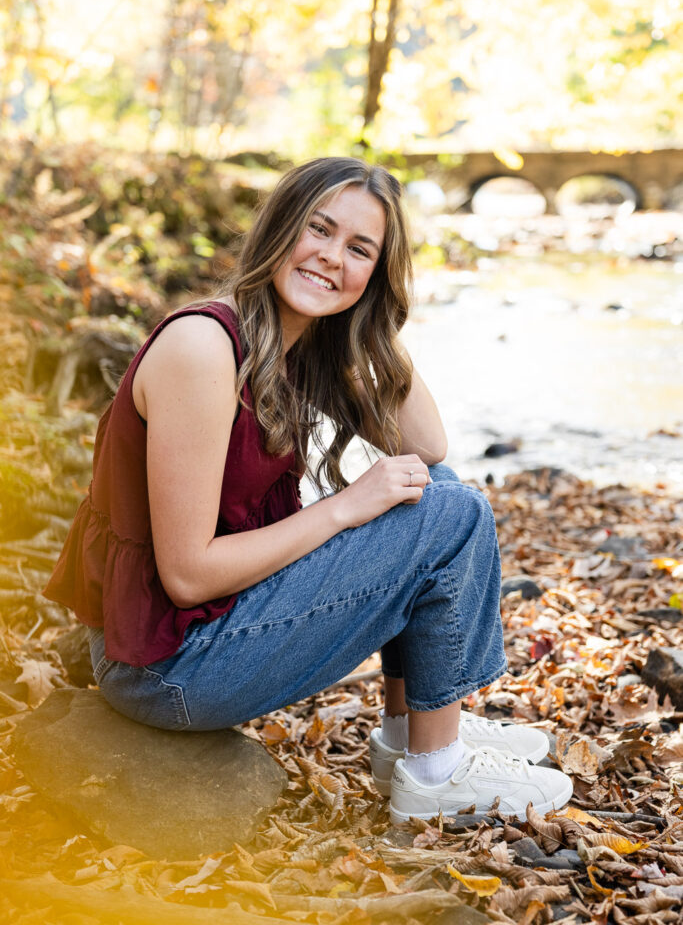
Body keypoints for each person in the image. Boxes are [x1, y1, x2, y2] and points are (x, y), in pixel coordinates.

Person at [45, 157, 572, 824]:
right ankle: (435, 776)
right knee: (448, 511)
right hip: (165, 669)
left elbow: (427, 446)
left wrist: (373, 324)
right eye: (318, 231)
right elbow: (185, 575)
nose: (330, 257)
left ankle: (413, 735)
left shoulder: (293, 349)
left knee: (431, 485)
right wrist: (343, 508)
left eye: (358, 250)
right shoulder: (203, 348)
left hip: (204, 634)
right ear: (280, 226)